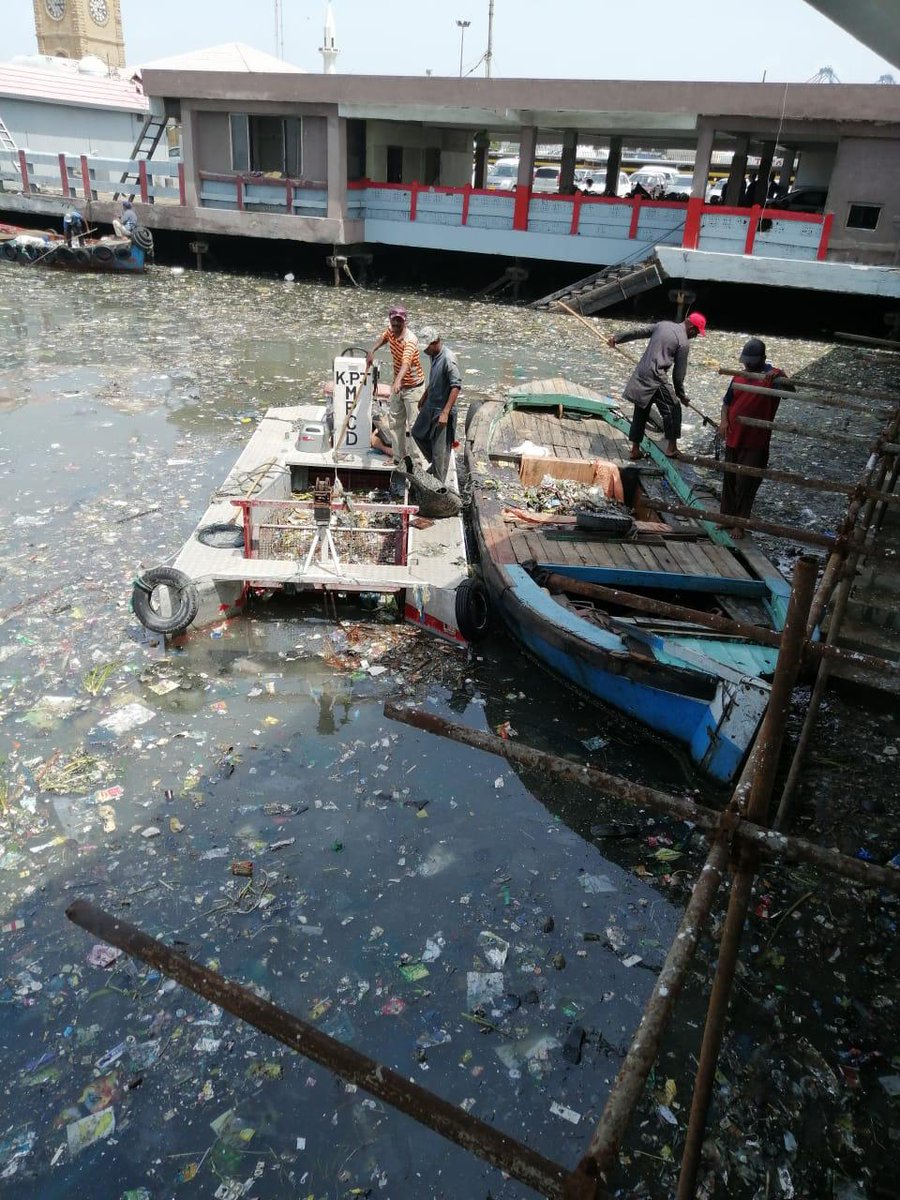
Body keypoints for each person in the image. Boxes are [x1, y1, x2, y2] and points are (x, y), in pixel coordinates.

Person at [719, 337, 793, 536]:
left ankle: (740, 523)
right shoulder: (739, 376)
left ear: (762, 358)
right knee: (730, 477)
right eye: (746, 361)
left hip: (755, 440)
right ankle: (726, 517)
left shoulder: (773, 377)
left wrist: (781, 376)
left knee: (746, 481)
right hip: (734, 435)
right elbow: (726, 402)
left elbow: (789, 392)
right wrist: (724, 421)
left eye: (751, 361)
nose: (748, 364)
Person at [608, 312, 707, 459]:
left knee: (641, 411)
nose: (696, 336)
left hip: (642, 372)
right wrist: (681, 396)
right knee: (673, 408)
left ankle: (635, 450)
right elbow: (678, 376)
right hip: (656, 377)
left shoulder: (663, 325)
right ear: (692, 328)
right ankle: (671, 448)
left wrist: (617, 338)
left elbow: (638, 332)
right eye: (697, 333)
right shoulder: (683, 343)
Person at [366, 306, 427, 467]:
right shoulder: (390, 331)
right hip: (398, 387)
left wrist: (398, 381)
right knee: (395, 422)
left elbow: (406, 363)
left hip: (414, 388)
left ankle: (416, 462)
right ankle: (398, 458)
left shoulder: (410, 340)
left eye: (400, 321)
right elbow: (383, 338)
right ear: (390, 320)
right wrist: (372, 350)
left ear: (405, 321)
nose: (397, 324)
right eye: (394, 321)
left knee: (414, 425)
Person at [411, 326, 462, 483]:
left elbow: (456, 386)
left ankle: (439, 486)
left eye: (427, 347)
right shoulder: (434, 356)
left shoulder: (448, 359)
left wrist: (445, 413)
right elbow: (435, 380)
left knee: (441, 452)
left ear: (436, 342)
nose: (425, 352)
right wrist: (424, 396)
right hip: (431, 405)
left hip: (442, 408)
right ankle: (436, 463)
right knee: (417, 433)